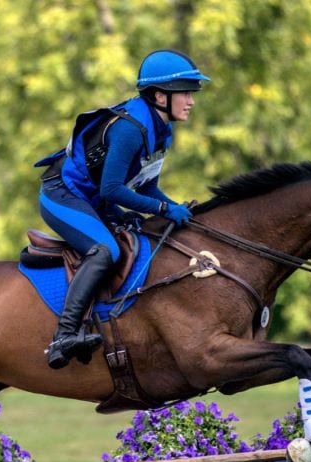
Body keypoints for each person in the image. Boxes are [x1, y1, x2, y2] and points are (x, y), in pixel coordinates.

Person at [35, 49, 210, 369]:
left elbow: (145, 186)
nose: (191, 101)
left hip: (94, 200)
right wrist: (162, 208)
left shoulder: (162, 131)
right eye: (185, 93)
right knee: (104, 251)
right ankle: (64, 335)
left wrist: (175, 208)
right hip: (61, 195)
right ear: (160, 96)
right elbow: (112, 190)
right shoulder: (131, 129)